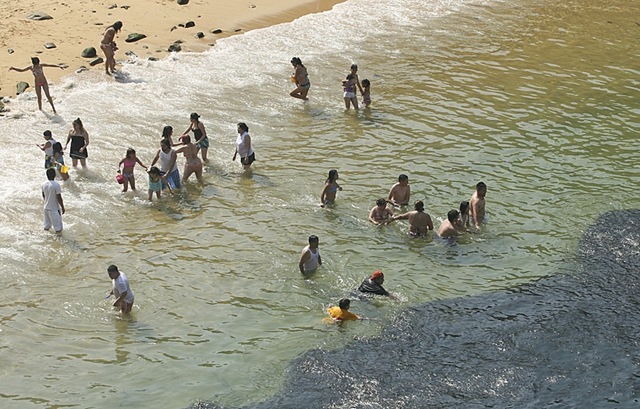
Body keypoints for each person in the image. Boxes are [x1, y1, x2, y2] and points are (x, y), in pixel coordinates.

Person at [42, 168, 65, 234]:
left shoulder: (44, 184)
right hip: (54, 209)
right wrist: (62, 207)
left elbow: (43, 195)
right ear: (54, 175)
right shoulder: (56, 185)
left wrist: (46, 202)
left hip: (46, 208)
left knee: (47, 227)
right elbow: (59, 197)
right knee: (58, 229)